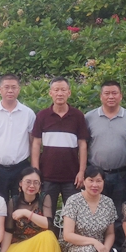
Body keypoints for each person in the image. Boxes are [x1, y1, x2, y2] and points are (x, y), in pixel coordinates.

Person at [85, 80, 126, 245]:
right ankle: (96, 248)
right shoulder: (89, 117)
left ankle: (116, 250)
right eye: (107, 93)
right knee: (95, 212)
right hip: (95, 175)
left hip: (121, 174)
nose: (111, 96)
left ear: (121, 96)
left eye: (114, 93)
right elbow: (82, 146)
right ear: (101, 96)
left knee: (118, 213)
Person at [31, 77, 88, 217]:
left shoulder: (78, 116)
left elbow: (82, 145)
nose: (60, 93)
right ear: (50, 93)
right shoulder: (42, 116)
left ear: (69, 92)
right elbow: (36, 144)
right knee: (46, 215)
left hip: (72, 176)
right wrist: (36, 172)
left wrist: (82, 171)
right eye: (56, 90)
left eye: (63, 90)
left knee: (74, 216)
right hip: (47, 176)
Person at [60, 166, 117, 252]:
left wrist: (105, 249)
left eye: (99, 181)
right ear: (84, 181)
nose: (95, 185)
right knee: (88, 251)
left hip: (99, 247)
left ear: (103, 182)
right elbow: (68, 235)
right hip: (74, 245)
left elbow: (110, 233)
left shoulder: (108, 203)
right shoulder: (74, 201)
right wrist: (93, 242)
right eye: (91, 180)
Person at [0, 74, 36, 201]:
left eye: (13, 87)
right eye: (6, 87)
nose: (10, 90)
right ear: (0, 90)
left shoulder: (28, 113)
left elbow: (33, 142)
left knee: (21, 202)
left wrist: (33, 168)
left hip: (21, 167)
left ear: (19, 90)